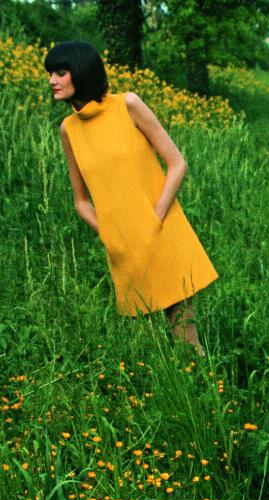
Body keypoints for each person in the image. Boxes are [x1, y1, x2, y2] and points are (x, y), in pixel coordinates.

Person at [46, 41, 216, 354]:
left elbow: (177, 163)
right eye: (50, 74)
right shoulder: (68, 129)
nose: (51, 80)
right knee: (147, 351)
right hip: (123, 247)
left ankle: (204, 383)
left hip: (161, 233)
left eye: (60, 72)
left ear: (82, 71)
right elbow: (80, 201)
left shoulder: (128, 104)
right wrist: (108, 233)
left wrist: (156, 216)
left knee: (187, 344)